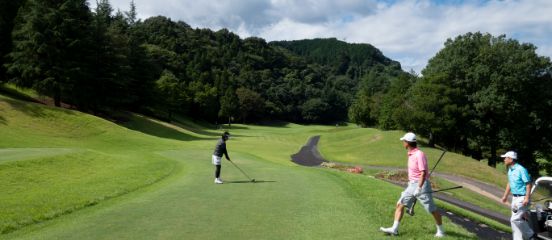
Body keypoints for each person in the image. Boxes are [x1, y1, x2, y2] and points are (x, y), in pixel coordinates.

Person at [380, 132, 445, 237]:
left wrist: (419, 188)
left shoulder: (419, 154)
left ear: (408, 143)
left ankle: (441, 231)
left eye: (404, 141)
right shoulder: (411, 154)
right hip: (412, 185)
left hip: (421, 185)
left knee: (431, 209)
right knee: (400, 204)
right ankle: (394, 229)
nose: (403, 143)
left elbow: (423, 173)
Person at [500, 151, 536, 240]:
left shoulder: (521, 169)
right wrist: (505, 196)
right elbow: (510, 183)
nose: (504, 159)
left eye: (506, 158)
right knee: (514, 222)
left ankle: (530, 235)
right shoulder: (510, 169)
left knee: (515, 219)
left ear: (511, 159)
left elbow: (528, 184)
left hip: (522, 198)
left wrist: (527, 198)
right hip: (515, 198)